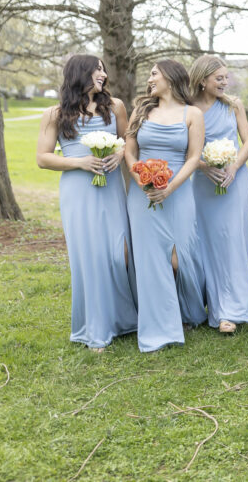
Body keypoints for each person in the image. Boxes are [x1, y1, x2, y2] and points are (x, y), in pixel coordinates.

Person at [35, 54, 137, 351]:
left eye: (104, 70)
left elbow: (129, 141)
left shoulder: (115, 106)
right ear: (81, 73)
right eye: (97, 70)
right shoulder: (55, 114)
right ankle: (95, 329)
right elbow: (43, 158)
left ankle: (123, 318)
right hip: (78, 191)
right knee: (89, 259)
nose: (103, 74)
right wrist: (80, 162)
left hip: (111, 190)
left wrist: (119, 154)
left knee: (120, 255)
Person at [124, 59, 207, 351]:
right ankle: (160, 325)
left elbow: (194, 157)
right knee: (150, 261)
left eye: (154, 74)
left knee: (178, 257)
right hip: (142, 192)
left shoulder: (192, 113)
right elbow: (130, 152)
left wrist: (169, 188)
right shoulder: (142, 111)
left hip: (178, 191)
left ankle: (189, 310)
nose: (150, 79)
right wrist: (141, 180)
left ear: (170, 78)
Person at [189, 55, 248, 334]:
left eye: (226, 78)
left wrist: (233, 167)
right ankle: (206, 302)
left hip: (235, 181)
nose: (224, 83)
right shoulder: (188, 108)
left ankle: (231, 310)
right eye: (219, 78)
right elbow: (184, 148)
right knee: (205, 244)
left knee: (232, 241)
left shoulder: (233, 105)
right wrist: (204, 166)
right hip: (203, 184)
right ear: (202, 80)